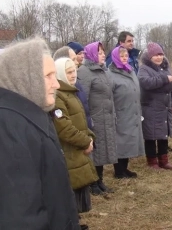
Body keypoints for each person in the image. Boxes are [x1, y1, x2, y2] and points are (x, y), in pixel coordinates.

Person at [0, 38, 80, 229]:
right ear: (25, 78)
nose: (57, 84)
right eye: (48, 76)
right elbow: (19, 214)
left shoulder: (26, 114)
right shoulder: (7, 125)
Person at [53, 58, 98, 229]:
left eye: (74, 71)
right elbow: (63, 127)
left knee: (77, 188)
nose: (73, 75)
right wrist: (85, 141)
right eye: (68, 72)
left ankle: (75, 221)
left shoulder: (70, 91)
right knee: (70, 189)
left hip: (79, 147)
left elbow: (82, 120)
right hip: (71, 150)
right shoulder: (58, 95)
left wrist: (90, 136)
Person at [77, 42, 116, 194]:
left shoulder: (103, 71)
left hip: (106, 117)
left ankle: (99, 180)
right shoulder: (85, 72)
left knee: (101, 151)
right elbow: (82, 98)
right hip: (94, 118)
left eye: (103, 52)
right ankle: (92, 183)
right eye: (99, 53)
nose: (102, 55)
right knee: (93, 150)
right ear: (91, 54)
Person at [138, 42, 172, 169]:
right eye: (156, 55)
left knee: (163, 134)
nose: (159, 57)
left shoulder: (167, 67)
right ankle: (152, 161)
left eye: (161, 54)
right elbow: (146, 83)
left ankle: (164, 160)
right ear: (150, 56)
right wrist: (164, 79)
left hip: (165, 106)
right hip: (150, 106)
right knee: (150, 134)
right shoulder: (144, 68)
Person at [107, 46, 145, 178]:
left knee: (129, 140)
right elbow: (109, 95)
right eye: (121, 56)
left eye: (126, 56)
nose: (124, 58)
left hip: (132, 110)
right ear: (116, 57)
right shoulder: (110, 74)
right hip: (120, 111)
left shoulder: (131, 71)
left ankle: (125, 168)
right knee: (121, 141)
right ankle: (118, 170)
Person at [54, 46, 92, 130]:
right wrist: (85, 139)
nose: (77, 62)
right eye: (73, 59)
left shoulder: (76, 83)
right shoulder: (58, 93)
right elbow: (65, 127)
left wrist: (90, 134)